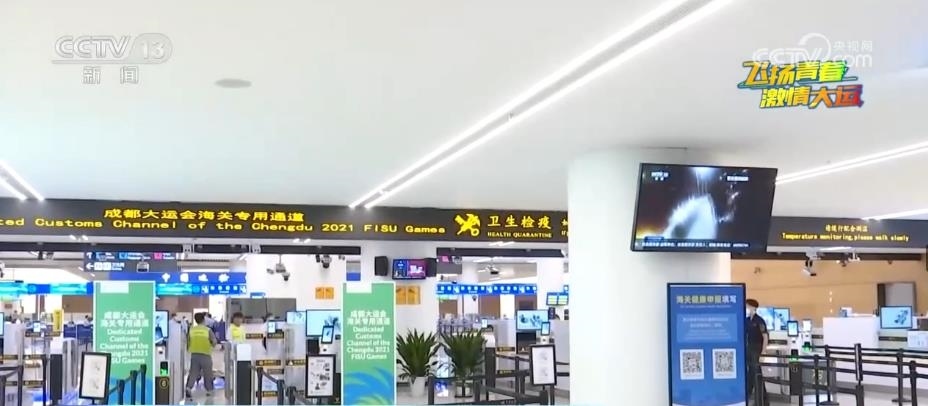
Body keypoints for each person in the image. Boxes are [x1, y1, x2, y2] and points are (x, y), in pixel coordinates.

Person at [185, 313, 218, 399]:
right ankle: (209, 390)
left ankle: (188, 388)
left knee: (193, 373)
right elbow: (214, 342)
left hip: (194, 354)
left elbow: (188, 342)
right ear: (204, 319)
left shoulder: (192, 330)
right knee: (208, 373)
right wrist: (212, 345)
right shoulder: (207, 330)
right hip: (205, 354)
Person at [745, 299, 769, 406]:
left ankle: (762, 399)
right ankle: (749, 397)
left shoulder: (759, 320)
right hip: (749, 347)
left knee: (756, 373)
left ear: (753, 307)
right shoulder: (746, 320)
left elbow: (765, 336)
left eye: (748, 306)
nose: (746, 308)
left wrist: (763, 352)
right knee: (750, 373)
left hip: (757, 348)